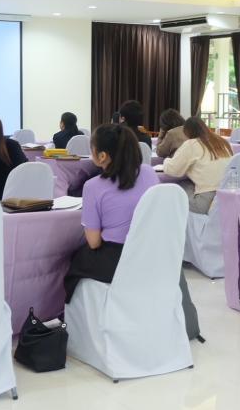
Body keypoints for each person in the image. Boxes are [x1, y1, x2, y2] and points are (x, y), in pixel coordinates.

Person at [63, 123, 201, 339]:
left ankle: (76, 330)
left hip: (119, 259)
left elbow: (94, 242)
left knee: (75, 261)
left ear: (102, 156)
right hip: (153, 255)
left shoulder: (93, 186)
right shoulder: (148, 173)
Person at [163, 116, 233, 214]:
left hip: (205, 202)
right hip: (227, 199)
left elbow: (173, 170)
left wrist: (166, 161)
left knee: (172, 189)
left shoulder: (191, 144)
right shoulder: (223, 142)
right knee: (187, 183)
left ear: (187, 132)